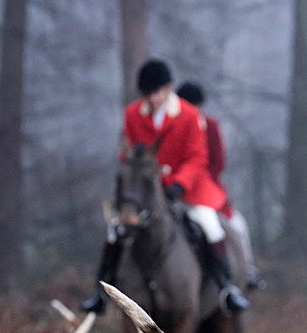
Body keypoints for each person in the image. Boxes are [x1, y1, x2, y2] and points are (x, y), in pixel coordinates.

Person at [81, 58, 249, 315]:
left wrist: (179, 185)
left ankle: (227, 289)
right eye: (148, 93)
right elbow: (128, 156)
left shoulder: (189, 115)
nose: (154, 98)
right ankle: (100, 292)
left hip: (188, 189)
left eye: (158, 92)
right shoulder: (133, 114)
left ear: (169, 88)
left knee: (210, 224)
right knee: (115, 229)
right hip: (145, 193)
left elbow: (198, 157)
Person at [176, 81, 265, 290]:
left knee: (238, 227)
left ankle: (247, 270)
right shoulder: (174, 127)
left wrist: (201, 182)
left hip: (207, 189)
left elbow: (218, 163)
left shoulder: (211, 126)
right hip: (176, 189)